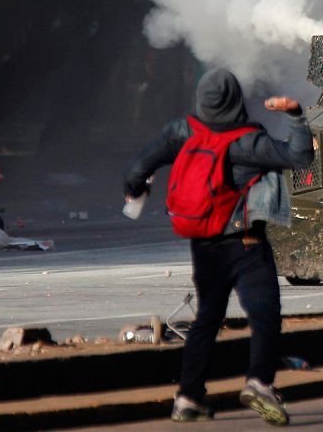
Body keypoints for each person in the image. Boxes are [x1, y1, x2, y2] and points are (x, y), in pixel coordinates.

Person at [123, 68, 313, 425]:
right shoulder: (248, 142)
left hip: (204, 244)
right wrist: (296, 115)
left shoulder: (182, 131)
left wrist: (134, 192)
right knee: (265, 314)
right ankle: (259, 381)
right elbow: (299, 158)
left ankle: (188, 398)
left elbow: (137, 169)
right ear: (235, 100)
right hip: (245, 243)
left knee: (207, 319)